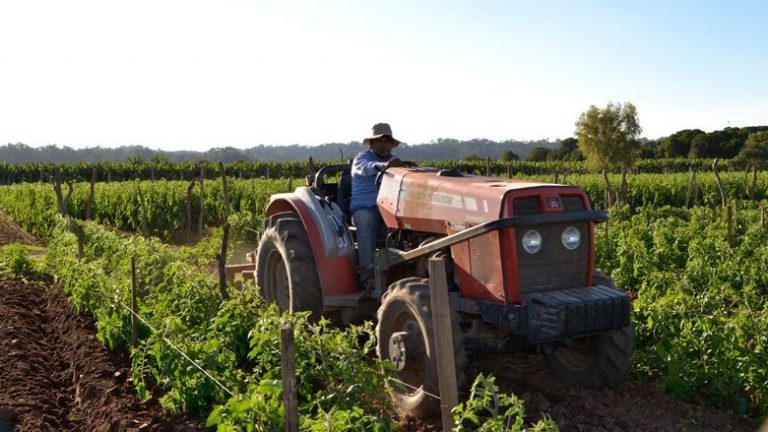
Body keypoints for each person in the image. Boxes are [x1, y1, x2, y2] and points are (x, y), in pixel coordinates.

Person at [350, 123, 402, 290]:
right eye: (380, 141)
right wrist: (384, 166)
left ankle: (398, 271)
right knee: (365, 222)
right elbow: (365, 169)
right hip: (365, 208)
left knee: (403, 229)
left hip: (389, 207)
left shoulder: (395, 161)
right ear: (371, 143)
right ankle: (367, 275)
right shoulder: (362, 159)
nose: (384, 144)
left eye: (387, 141)